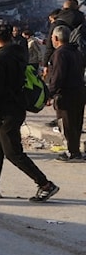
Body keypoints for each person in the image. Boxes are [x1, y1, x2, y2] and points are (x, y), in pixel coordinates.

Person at [0, 21, 59, 203]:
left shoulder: (0, 58)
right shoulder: (18, 52)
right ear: (11, 35)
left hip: (8, 111)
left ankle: (45, 185)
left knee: (13, 152)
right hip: (14, 107)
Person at [45, 25, 85, 162]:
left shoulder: (60, 54)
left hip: (65, 95)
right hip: (79, 92)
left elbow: (58, 77)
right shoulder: (76, 52)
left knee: (66, 124)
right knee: (76, 123)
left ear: (56, 38)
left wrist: (49, 94)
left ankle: (72, 152)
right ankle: (75, 151)